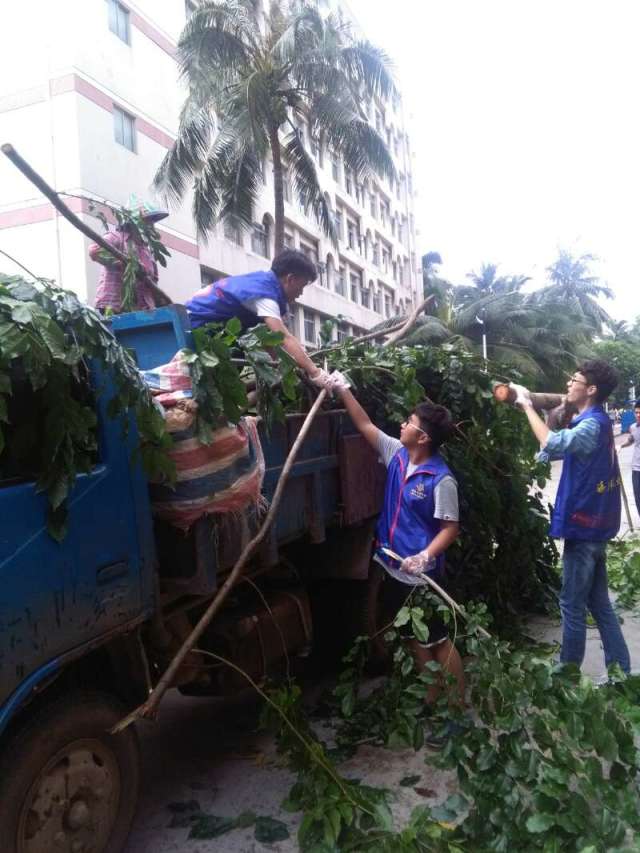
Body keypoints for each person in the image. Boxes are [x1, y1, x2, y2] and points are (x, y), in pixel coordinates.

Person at [331, 373, 465, 738]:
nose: (401, 424)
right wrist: (344, 388)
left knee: (437, 640)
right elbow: (364, 424)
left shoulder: (441, 480)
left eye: (409, 422)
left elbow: (450, 527)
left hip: (422, 575)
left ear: (422, 437)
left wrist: (424, 556)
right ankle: (429, 701)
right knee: (411, 636)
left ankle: (454, 712)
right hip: (393, 566)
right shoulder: (396, 455)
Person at [512, 361, 630, 674]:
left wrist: (526, 405)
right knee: (599, 603)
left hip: (585, 528)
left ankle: (567, 674)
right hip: (595, 527)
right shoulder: (592, 422)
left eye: (573, 379)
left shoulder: (593, 424)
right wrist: (553, 419)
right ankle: (620, 671)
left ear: (590, 389)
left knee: (571, 605)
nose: (568, 384)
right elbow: (550, 452)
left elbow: (550, 442)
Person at [185, 249, 333, 389]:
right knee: (234, 360)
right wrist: (316, 373)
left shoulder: (264, 285)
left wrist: (280, 369)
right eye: (302, 286)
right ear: (290, 279)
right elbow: (284, 339)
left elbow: (271, 341)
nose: (300, 293)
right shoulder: (264, 294)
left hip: (208, 327)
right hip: (197, 329)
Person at [90, 205, 171, 314]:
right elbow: (95, 251)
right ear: (133, 222)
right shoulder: (117, 237)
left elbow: (153, 282)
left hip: (143, 310)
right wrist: (126, 264)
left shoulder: (146, 250)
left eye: (152, 221)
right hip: (115, 305)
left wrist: (163, 302)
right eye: (147, 220)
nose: (151, 224)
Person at [620, 400, 640, 519]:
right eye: (636, 412)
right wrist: (620, 446)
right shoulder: (633, 427)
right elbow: (631, 440)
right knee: (638, 498)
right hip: (636, 469)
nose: (638, 415)